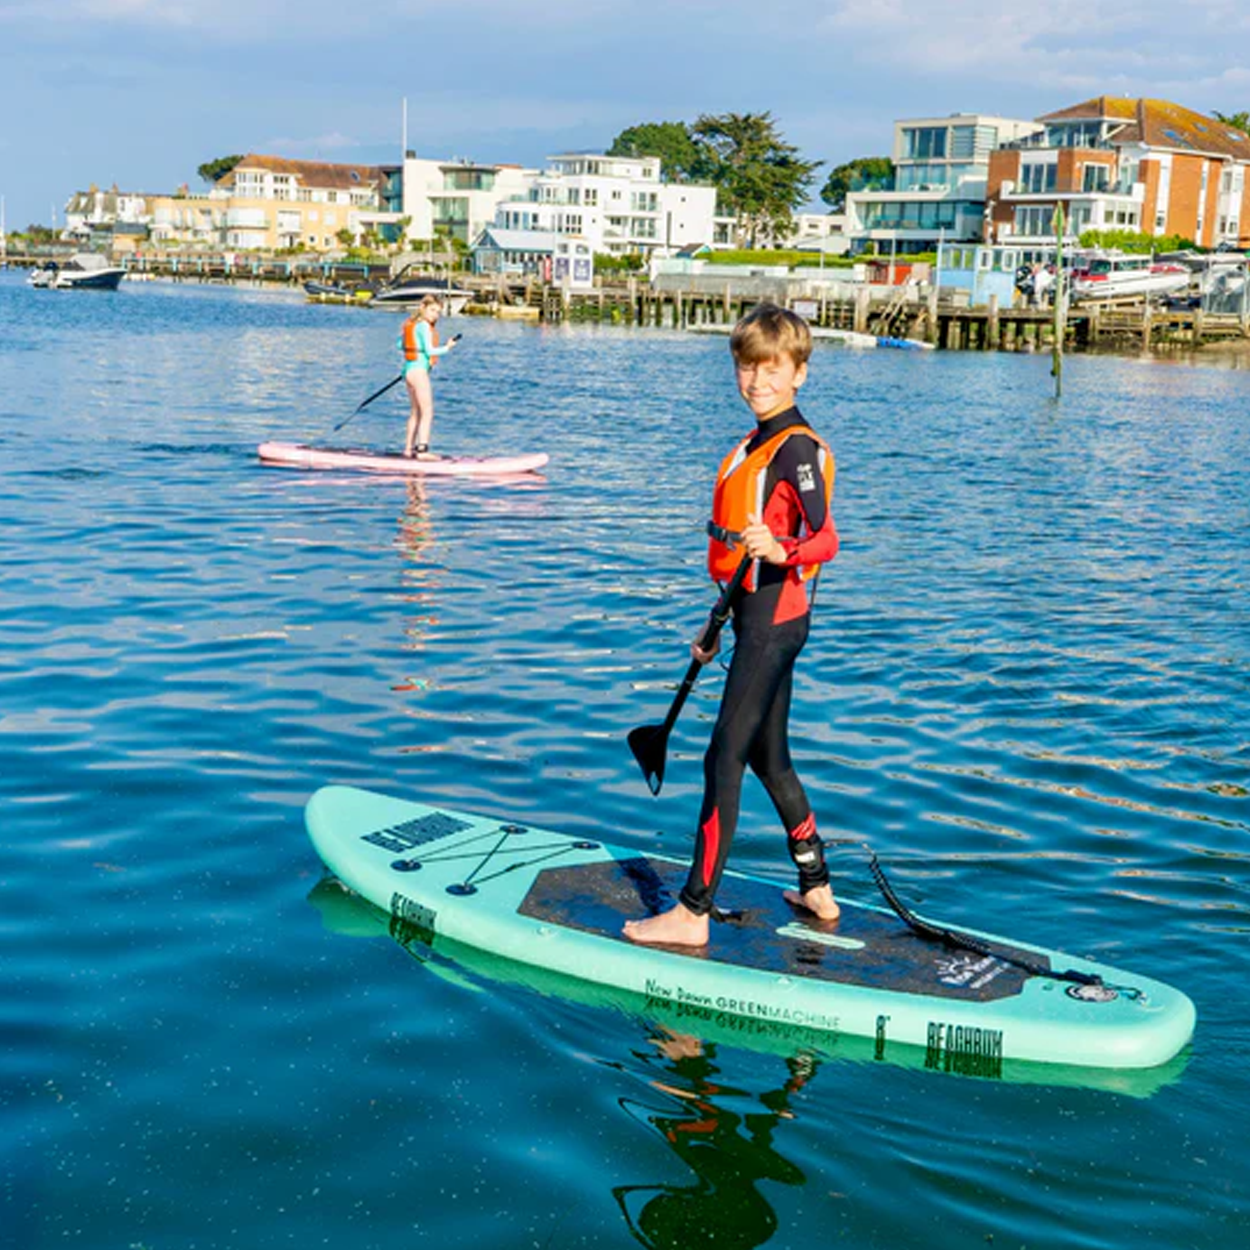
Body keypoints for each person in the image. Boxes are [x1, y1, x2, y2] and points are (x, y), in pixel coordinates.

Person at [624, 303, 840, 948]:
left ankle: (692, 913)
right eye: (747, 368)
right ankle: (817, 886)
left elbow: (825, 537)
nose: (757, 381)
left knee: (724, 755)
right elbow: (742, 551)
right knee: (771, 760)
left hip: (775, 622)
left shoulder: (794, 446)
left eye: (771, 369)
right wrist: (718, 625)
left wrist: (786, 551)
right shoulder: (756, 441)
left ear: (798, 373)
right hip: (756, 619)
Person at [399, 295, 457, 459]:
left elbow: (399, 344)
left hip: (408, 371)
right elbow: (430, 351)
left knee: (415, 412)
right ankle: (422, 451)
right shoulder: (423, 325)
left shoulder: (412, 325)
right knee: (427, 411)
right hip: (418, 372)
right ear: (422, 307)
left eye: (438, 312)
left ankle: (408, 449)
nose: (435, 315)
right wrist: (447, 347)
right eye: (432, 310)